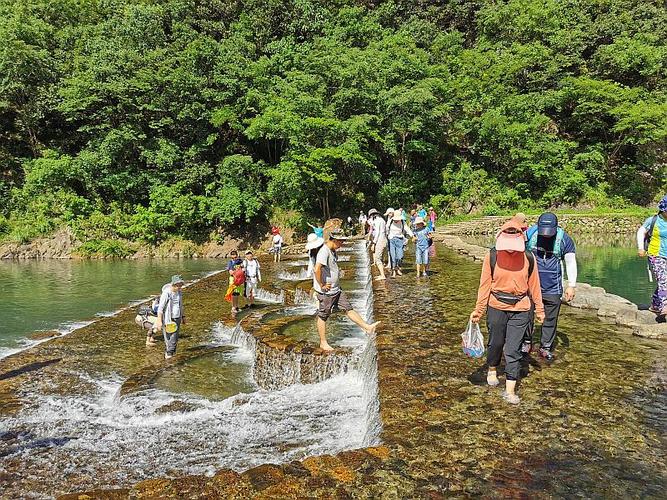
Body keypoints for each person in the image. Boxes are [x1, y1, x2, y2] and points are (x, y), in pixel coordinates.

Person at [470, 218, 545, 404]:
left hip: (521, 309)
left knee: (513, 349)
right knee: (495, 343)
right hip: (496, 306)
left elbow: (535, 285)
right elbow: (484, 285)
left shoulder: (528, 258)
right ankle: (493, 368)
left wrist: (540, 310)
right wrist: (478, 310)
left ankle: (510, 390)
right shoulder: (492, 256)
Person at [313, 229, 380, 351]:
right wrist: (322, 284)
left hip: (336, 290)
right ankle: (323, 342)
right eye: (341, 242)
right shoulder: (324, 251)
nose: (342, 244)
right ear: (335, 240)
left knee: (348, 308)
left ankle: (367, 327)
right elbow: (317, 269)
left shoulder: (332, 251)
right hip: (326, 292)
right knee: (323, 316)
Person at [524, 212, 578, 360]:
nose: (546, 236)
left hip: (553, 287)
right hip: (531, 285)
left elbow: (570, 262)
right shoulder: (531, 234)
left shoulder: (564, 240)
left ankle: (545, 347)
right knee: (526, 315)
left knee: (550, 318)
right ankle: (526, 342)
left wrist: (571, 285)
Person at [637, 195, 667, 321]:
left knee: (664, 281)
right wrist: (640, 248)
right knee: (663, 280)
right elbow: (641, 231)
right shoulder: (653, 220)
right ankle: (665, 306)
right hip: (656, 254)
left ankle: (655, 305)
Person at [155, 275, 186, 360]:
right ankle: (169, 354)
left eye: (181, 285)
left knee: (175, 337)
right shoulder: (167, 293)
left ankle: (171, 352)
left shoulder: (179, 292)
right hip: (168, 318)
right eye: (178, 285)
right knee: (169, 337)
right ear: (173, 284)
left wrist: (183, 316)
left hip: (178, 317)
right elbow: (160, 308)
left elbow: (181, 305)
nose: (180, 287)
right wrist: (159, 321)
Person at [386, 209, 414, 277]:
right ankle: (394, 271)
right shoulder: (390, 221)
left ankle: (397, 267)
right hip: (392, 240)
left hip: (400, 239)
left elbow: (407, 229)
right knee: (393, 256)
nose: (396, 220)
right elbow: (386, 230)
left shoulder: (402, 222)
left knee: (400, 256)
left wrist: (412, 236)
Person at [367, 208, 387, 280]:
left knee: (378, 259)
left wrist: (374, 243)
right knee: (380, 258)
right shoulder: (382, 220)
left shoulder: (377, 221)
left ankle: (382, 275)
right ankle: (382, 274)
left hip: (380, 240)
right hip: (384, 239)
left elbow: (378, 232)